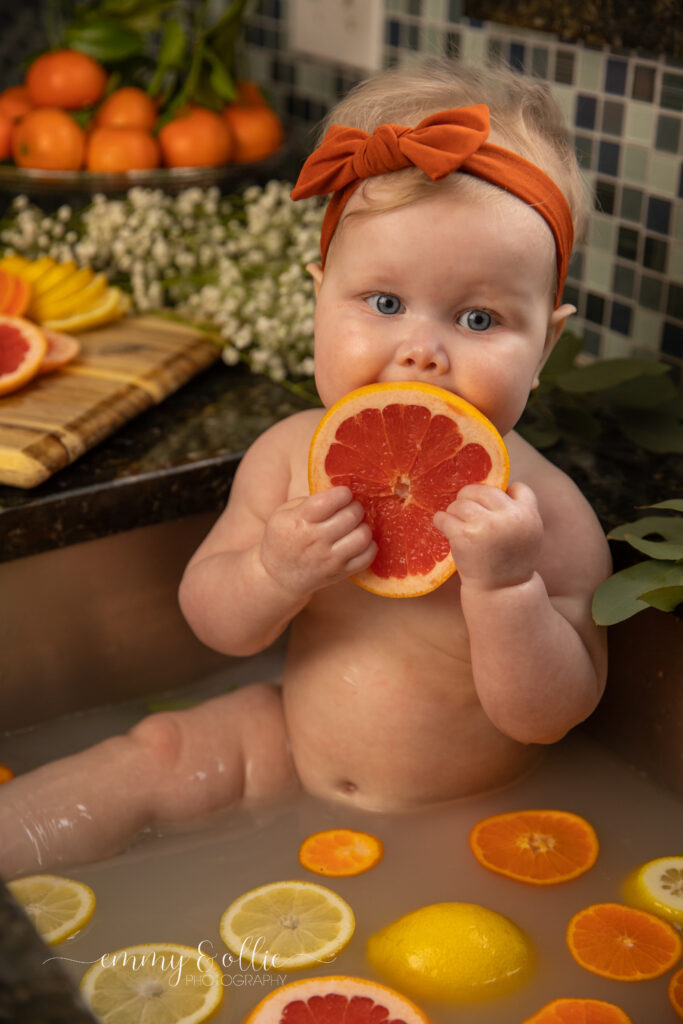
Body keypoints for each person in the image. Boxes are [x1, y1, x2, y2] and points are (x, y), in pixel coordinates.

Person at [0, 60, 611, 878]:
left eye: (478, 317)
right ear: (320, 298)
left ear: (544, 345)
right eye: (383, 302)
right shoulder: (291, 456)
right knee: (162, 747)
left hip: (459, 812)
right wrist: (270, 572)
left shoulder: (548, 514)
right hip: (288, 744)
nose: (420, 349)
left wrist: (505, 590)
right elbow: (215, 623)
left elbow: (549, 717)